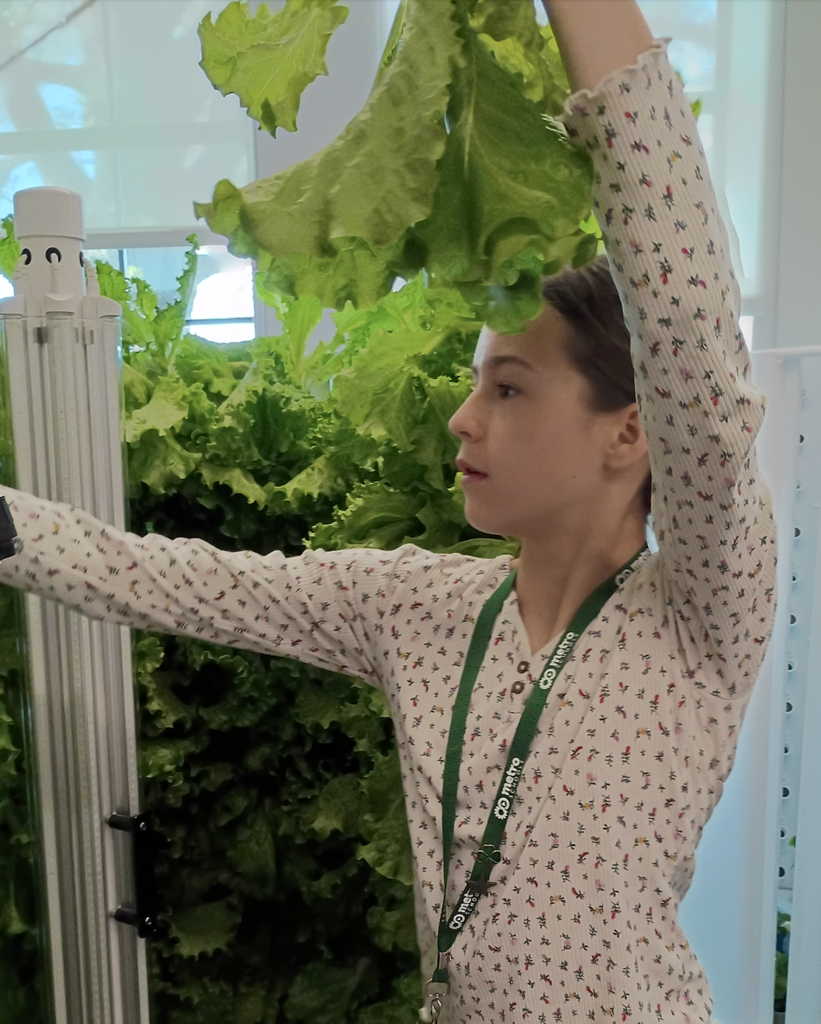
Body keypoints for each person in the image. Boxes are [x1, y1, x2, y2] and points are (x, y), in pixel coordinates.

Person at [0, 1, 777, 1020]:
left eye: (506, 387)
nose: (462, 420)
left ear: (626, 431)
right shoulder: (419, 608)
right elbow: (180, 581)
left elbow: (683, 328)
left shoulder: (698, 613)